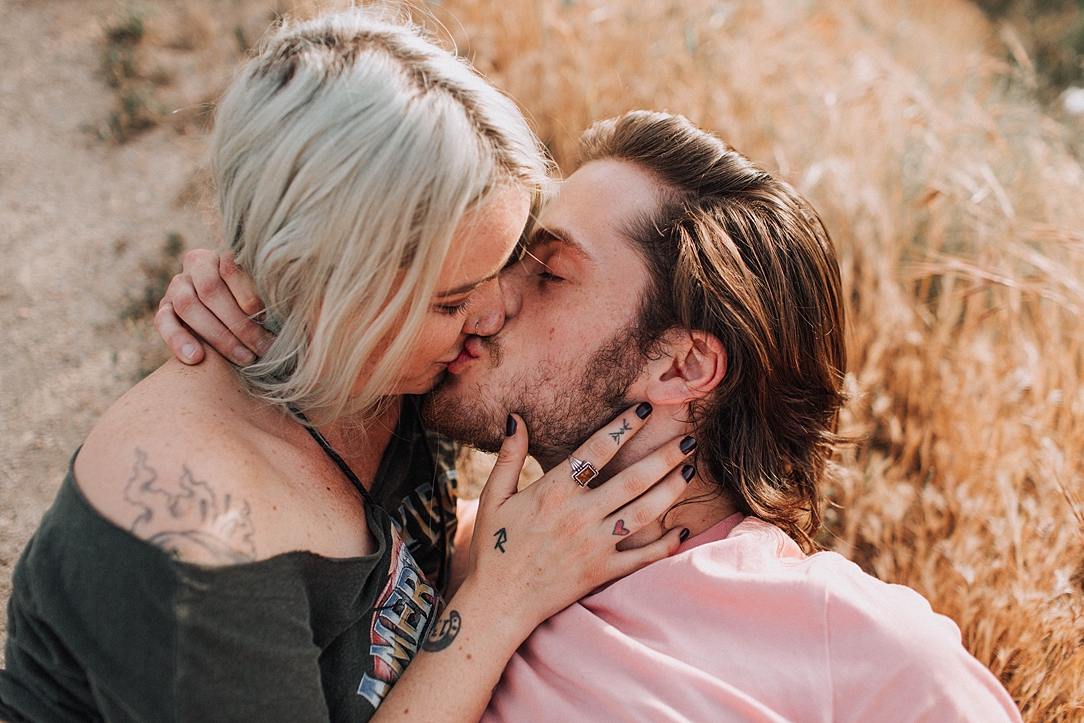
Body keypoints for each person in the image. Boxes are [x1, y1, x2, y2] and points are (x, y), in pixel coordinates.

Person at [163, 111, 1024, 722]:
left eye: (548, 272)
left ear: (682, 364)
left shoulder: (847, 637)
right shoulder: (455, 546)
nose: (488, 301)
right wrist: (268, 303)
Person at [0, 13, 696, 723]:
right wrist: (501, 600)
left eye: (503, 265)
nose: (492, 315)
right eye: (453, 299)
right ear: (321, 285)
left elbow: (398, 569)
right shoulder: (191, 529)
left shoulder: (381, 371)